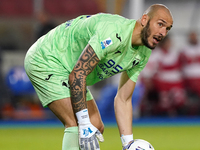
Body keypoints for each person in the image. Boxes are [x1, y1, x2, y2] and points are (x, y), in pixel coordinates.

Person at [24, 4, 173, 150]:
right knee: (78, 125)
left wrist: (128, 144)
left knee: (94, 125)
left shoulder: (144, 52)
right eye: (160, 24)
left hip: (69, 69)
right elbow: (78, 75)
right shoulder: (113, 32)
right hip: (46, 58)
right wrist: (83, 124)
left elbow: (124, 98)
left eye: (167, 28)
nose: (163, 32)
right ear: (145, 19)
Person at [140, 35, 187, 117]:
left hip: (175, 82)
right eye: (167, 42)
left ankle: (181, 120)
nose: (169, 44)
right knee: (165, 103)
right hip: (162, 82)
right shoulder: (156, 54)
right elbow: (151, 70)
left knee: (179, 100)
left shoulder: (175, 53)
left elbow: (180, 67)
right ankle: (162, 121)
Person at [180, 31, 200, 115]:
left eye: (194, 36)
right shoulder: (184, 49)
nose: (193, 38)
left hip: (198, 76)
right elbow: (181, 63)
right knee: (188, 97)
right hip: (188, 77)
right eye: (192, 36)